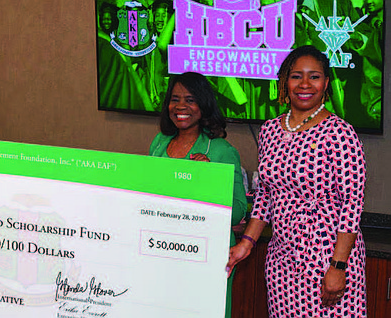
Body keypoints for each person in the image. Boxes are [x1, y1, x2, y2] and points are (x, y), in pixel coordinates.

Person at [227, 45, 367, 317]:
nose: (305, 84)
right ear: (284, 82)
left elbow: (352, 205)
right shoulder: (269, 130)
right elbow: (266, 196)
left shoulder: (340, 133)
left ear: (326, 83)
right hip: (282, 259)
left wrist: (338, 267)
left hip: (326, 258)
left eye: (314, 76)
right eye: (296, 76)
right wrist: (246, 243)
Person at [149, 72, 246, 318]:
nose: (181, 106)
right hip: (160, 251)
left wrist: (206, 181)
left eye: (190, 100)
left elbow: (237, 211)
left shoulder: (222, 151)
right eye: (175, 99)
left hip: (207, 255)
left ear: (203, 105)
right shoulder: (160, 142)